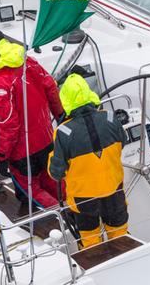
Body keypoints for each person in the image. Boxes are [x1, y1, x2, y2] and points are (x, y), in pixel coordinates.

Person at [0, 28, 63, 210]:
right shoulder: (29, 63)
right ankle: (73, 209)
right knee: (53, 181)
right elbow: (51, 88)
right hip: (46, 139)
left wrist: (3, 158)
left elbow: (8, 126)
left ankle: (62, 216)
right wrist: (60, 117)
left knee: (30, 190)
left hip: (23, 151)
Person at [48, 74, 128, 248]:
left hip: (84, 201)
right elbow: (123, 143)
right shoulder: (110, 117)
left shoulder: (63, 132)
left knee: (91, 244)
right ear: (89, 93)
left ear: (65, 99)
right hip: (114, 192)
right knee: (121, 238)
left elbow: (56, 173)